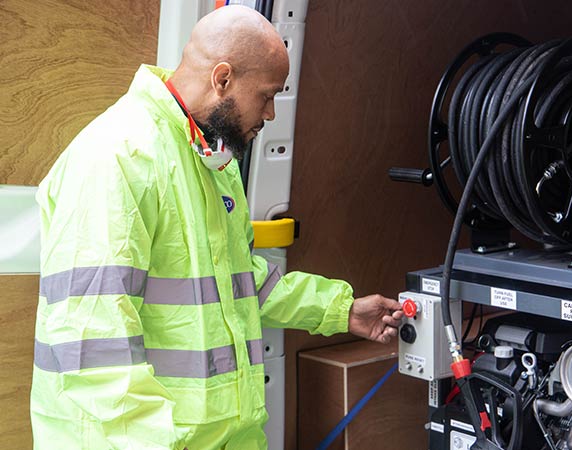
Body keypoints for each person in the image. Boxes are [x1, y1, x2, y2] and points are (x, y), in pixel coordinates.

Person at [30, 5, 403, 449]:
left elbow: (238, 282)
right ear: (222, 78)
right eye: (266, 96)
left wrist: (340, 311)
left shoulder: (211, 159)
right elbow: (93, 349)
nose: (269, 115)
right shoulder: (117, 158)